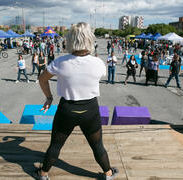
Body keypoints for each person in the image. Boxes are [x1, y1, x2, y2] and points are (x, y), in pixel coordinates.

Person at [38, 22, 118, 180]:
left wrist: (49, 97)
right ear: (89, 39)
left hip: (67, 109)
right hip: (90, 110)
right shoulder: (98, 63)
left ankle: (43, 174)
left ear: (70, 40)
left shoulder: (61, 62)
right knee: (97, 145)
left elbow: (42, 79)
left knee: (55, 145)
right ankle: (108, 174)